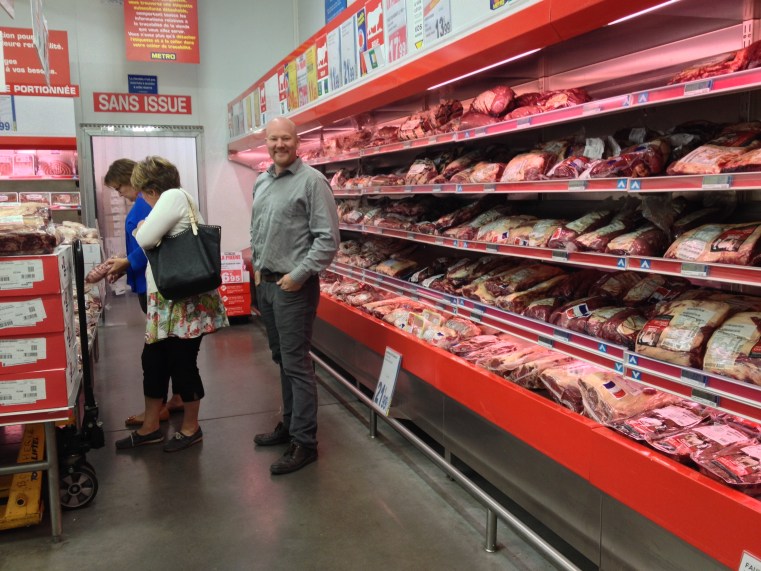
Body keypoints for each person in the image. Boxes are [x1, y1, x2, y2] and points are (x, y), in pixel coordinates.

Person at [115, 156, 229, 453]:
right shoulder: (173, 199)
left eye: (142, 191)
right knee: (153, 360)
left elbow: (145, 238)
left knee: (182, 364)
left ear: (150, 188)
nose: (141, 197)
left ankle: (191, 428)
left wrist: (142, 227)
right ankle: (151, 426)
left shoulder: (173, 197)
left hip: (183, 302)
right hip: (168, 301)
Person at [250, 116, 340, 475]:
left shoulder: (312, 182)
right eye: (273, 139)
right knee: (282, 360)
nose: (279, 145)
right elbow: (258, 228)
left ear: (297, 141)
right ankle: (289, 424)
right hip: (267, 286)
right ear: (267, 143)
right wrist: (258, 268)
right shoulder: (262, 181)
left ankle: (305, 443)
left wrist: (297, 276)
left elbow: (328, 240)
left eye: (285, 138)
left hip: (293, 289)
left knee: (297, 365)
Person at [104, 159, 184, 426]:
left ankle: (158, 408)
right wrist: (126, 265)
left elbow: (148, 244)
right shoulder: (159, 202)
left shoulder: (148, 203)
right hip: (148, 280)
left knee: (158, 350)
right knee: (169, 346)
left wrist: (127, 263)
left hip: (154, 285)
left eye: (120, 188)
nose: (120, 194)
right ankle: (176, 397)